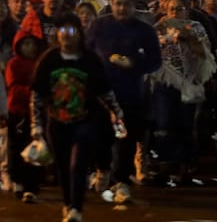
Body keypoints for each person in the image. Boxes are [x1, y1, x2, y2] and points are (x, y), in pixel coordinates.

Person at [30, 13, 126, 222]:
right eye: (62, 30)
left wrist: (117, 113)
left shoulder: (90, 59)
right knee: (63, 166)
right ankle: (68, 204)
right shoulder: (49, 59)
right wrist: (36, 125)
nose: (66, 35)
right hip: (56, 121)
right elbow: (37, 95)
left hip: (85, 120)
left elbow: (105, 91)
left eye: (71, 30)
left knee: (78, 164)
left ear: (79, 34)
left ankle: (76, 208)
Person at [84, 0, 162, 203]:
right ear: (110, 3)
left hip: (129, 95)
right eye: (118, 4)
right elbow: (85, 53)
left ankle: (122, 181)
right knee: (100, 135)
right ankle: (101, 169)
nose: (122, 8)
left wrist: (134, 63)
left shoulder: (144, 30)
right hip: (100, 94)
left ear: (134, 6)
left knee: (125, 139)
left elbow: (155, 61)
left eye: (126, 4)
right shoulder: (98, 26)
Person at [150, 0, 216, 182]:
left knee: (186, 124)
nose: (175, 12)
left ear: (187, 10)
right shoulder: (159, 27)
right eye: (171, 9)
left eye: (179, 9)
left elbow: (204, 53)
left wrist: (188, 38)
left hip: (189, 82)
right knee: (164, 123)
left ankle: (185, 165)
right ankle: (165, 163)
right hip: (165, 82)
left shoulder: (196, 27)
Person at [4, 14, 46, 202]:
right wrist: (34, 91)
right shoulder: (14, 64)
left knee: (35, 148)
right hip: (18, 112)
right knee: (16, 148)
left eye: (33, 44)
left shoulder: (40, 63)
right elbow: (14, 89)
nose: (30, 47)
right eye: (26, 44)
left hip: (36, 113)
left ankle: (32, 185)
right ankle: (18, 181)